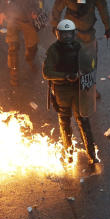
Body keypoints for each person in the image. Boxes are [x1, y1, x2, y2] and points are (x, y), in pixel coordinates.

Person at [42, 20, 98, 166]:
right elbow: (47, 72)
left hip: (77, 89)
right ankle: (69, 154)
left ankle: (91, 154)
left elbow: (88, 64)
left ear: (73, 34)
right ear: (58, 34)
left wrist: (82, 72)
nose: (66, 37)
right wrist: (66, 76)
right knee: (66, 121)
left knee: (81, 121)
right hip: (62, 91)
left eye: (69, 33)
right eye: (64, 34)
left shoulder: (79, 47)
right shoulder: (54, 50)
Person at [0, 0, 46, 87]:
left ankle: (30, 60)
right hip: (12, 20)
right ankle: (14, 75)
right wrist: (0, 12)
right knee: (12, 48)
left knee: (32, 46)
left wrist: (36, 10)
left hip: (28, 20)